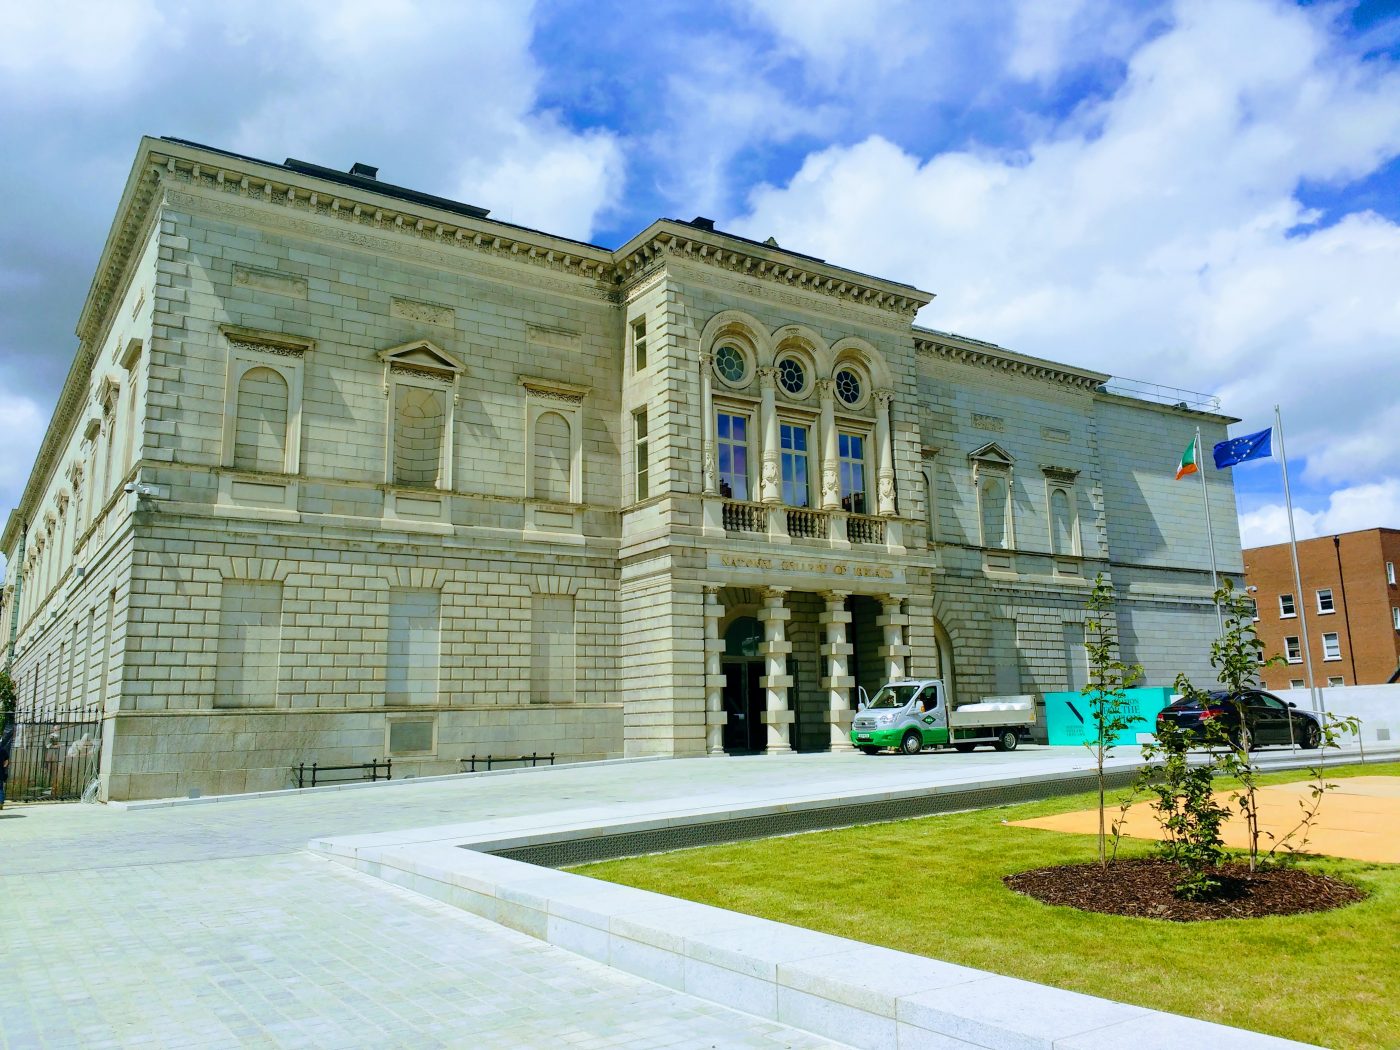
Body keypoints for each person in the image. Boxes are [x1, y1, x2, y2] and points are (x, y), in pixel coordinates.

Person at [0, 719, 14, 810]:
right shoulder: (2, 750)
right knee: (0, 788)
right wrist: (4, 767)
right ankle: (0, 802)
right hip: (0, 771)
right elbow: (6, 760)